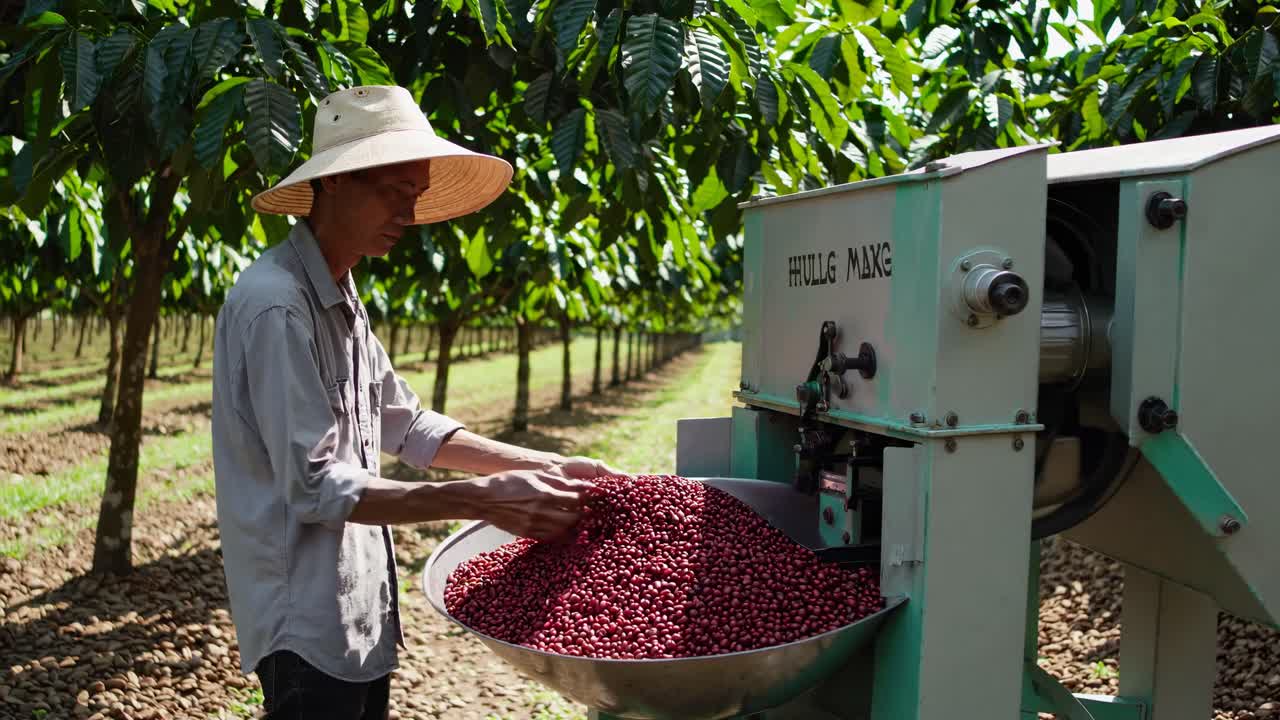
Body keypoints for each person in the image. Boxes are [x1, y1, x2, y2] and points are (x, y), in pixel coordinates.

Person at [211, 84, 620, 719]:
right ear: (336, 184)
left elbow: (407, 424)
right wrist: (483, 501)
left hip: (358, 610)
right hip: (306, 623)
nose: (406, 212)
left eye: (415, 195)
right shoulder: (276, 304)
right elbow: (316, 486)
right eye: (390, 191)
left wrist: (538, 466)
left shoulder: (340, 295)